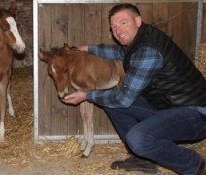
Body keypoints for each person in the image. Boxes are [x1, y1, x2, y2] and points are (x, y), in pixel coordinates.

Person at [63, 3, 206, 175]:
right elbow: (119, 52)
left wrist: (88, 95)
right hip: (167, 106)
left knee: (138, 138)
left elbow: (124, 99)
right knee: (110, 101)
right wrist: (88, 48)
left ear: (138, 20)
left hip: (195, 114)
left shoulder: (148, 50)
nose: (117, 30)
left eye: (123, 23)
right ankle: (142, 160)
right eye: (113, 27)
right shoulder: (140, 39)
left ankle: (196, 166)